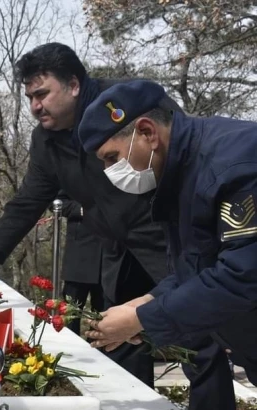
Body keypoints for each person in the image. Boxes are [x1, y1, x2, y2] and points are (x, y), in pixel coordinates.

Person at [0, 43, 237, 410]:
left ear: (73, 84)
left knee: (199, 343)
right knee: (122, 339)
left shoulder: (126, 104)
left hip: (166, 240)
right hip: (116, 248)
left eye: (42, 93)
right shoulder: (46, 140)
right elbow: (29, 200)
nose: (35, 106)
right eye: (29, 97)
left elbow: (179, 154)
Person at [78, 80, 257, 388]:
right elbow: (197, 266)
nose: (109, 172)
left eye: (112, 158)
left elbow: (241, 275)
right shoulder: (182, 172)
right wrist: (146, 302)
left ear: (147, 133)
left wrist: (141, 319)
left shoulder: (234, 163)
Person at [58, 191, 104, 335]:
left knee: (104, 318)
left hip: (111, 257)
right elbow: (58, 201)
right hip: (79, 255)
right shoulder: (73, 177)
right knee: (70, 317)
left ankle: (98, 348)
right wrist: (82, 209)